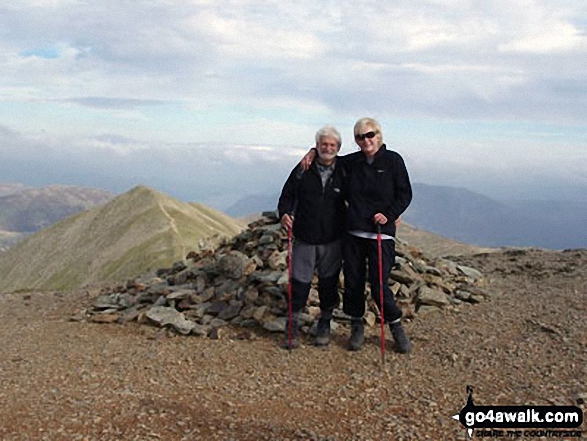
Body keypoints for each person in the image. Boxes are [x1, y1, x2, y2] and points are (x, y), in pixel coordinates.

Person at [301, 118, 413, 353]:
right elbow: (330, 158)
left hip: (381, 234)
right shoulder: (353, 162)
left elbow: (405, 193)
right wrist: (313, 150)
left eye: (369, 135)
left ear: (379, 135)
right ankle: (357, 324)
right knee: (353, 282)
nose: (366, 140)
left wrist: (389, 214)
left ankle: (395, 324)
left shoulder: (393, 160)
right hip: (353, 232)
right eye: (360, 137)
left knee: (379, 284)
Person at [277, 126, 347, 349]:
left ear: (338, 148)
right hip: (305, 236)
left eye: (332, 145)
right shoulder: (303, 168)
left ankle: (324, 323)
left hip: (333, 237)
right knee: (299, 281)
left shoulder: (345, 169)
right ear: (317, 146)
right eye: (323, 144)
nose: (328, 148)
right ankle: (292, 325)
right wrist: (285, 214)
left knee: (328, 283)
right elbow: (287, 195)